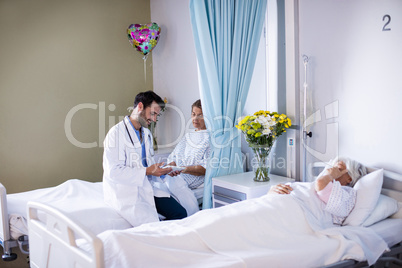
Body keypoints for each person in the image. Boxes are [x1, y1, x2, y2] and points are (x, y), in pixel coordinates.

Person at [102, 91, 187, 227]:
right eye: (152, 113)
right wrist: (148, 171)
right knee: (153, 225)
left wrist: (164, 171)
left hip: (146, 186)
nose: (154, 119)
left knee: (180, 213)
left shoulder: (146, 134)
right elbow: (113, 172)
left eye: (156, 115)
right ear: (140, 106)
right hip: (126, 191)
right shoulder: (116, 134)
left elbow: (148, 164)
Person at [268, 156, 368, 225]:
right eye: (332, 167)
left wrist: (331, 175)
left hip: (290, 211)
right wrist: (272, 191)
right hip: (276, 203)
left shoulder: (347, 193)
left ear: (349, 178)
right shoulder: (319, 184)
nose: (332, 170)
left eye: (338, 169)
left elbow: (320, 184)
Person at [165, 99, 210, 216]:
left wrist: (183, 169)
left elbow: (205, 168)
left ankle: (187, 215)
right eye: (193, 114)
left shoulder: (210, 138)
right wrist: (172, 165)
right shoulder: (189, 135)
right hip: (177, 174)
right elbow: (174, 155)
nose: (195, 119)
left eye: (200, 115)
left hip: (191, 177)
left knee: (164, 189)